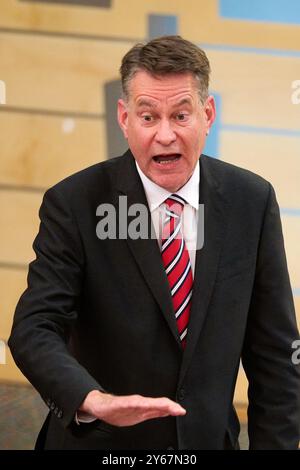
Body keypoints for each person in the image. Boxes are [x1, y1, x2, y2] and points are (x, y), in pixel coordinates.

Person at [9, 35, 300, 450]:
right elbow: (34, 329)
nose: (165, 135)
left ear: (208, 114)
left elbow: (276, 356)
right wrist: (92, 399)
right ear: (124, 118)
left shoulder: (251, 201)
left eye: (181, 115)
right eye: (148, 118)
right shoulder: (74, 203)